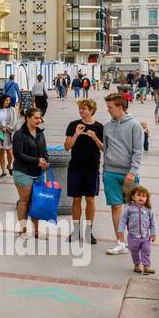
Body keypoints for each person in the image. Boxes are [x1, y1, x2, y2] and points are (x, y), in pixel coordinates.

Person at [102, 93, 145, 256]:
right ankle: (120, 242)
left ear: (120, 107)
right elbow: (106, 148)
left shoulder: (135, 125)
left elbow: (138, 151)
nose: (108, 110)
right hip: (110, 172)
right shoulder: (107, 126)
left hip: (128, 173)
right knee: (116, 206)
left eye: (110, 108)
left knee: (134, 209)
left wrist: (132, 172)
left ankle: (136, 240)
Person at [64, 98, 105, 245]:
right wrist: (75, 134)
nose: (81, 111)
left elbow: (104, 148)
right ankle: (75, 231)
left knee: (90, 199)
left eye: (84, 109)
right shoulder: (73, 125)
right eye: (80, 108)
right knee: (76, 199)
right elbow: (67, 147)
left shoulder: (100, 127)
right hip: (75, 167)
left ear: (91, 110)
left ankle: (88, 231)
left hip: (92, 167)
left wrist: (95, 138)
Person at [12, 106, 49, 239]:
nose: (39, 120)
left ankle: (37, 230)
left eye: (40, 118)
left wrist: (46, 162)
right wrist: (36, 161)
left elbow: (44, 151)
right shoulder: (19, 134)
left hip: (38, 172)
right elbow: (18, 154)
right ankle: (23, 230)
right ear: (28, 118)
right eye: (36, 118)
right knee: (25, 201)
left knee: (36, 202)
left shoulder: (40, 133)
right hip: (23, 172)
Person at [117, 185, 158, 275]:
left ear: (147, 198)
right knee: (134, 252)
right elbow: (123, 220)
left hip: (145, 236)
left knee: (146, 250)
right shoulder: (129, 208)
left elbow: (153, 222)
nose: (141, 198)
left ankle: (146, 266)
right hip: (132, 237)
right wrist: (120, 231)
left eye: (144, 196)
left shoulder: (148, 210)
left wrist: (153, 234)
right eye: (138, 195)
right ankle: (136, 265)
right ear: (133, 197)